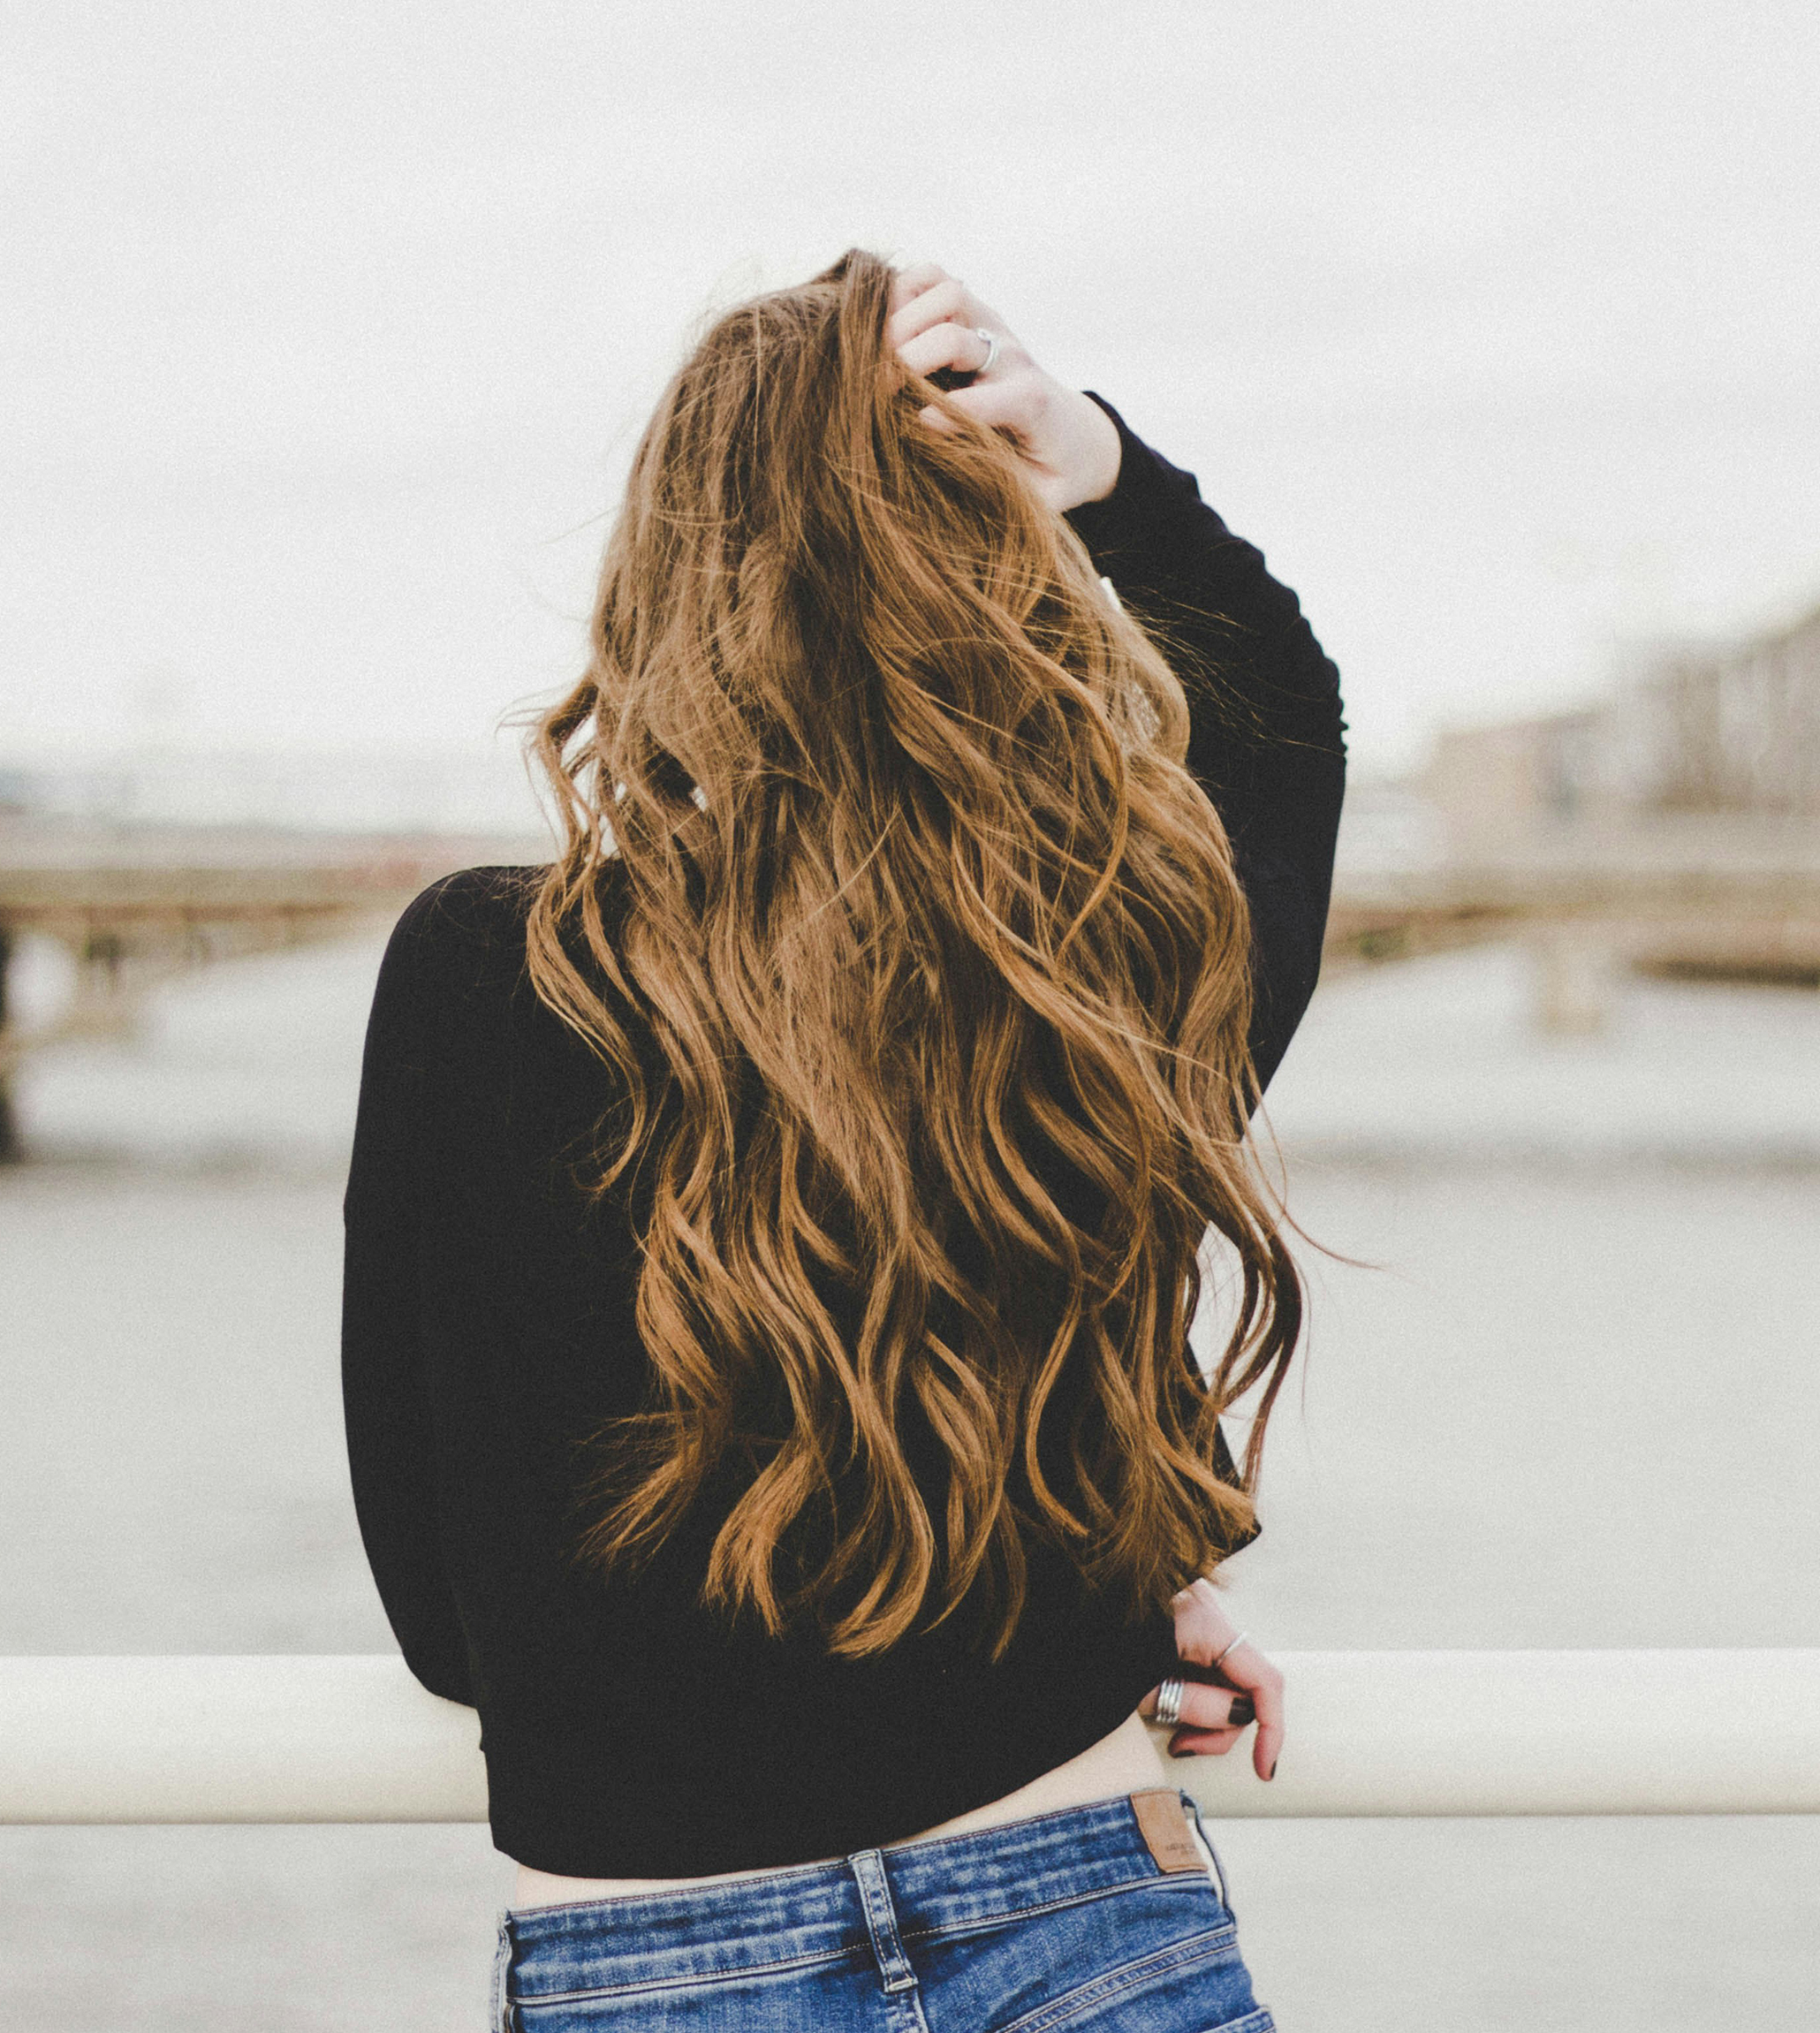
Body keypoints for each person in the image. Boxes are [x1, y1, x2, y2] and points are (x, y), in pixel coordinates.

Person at [343, 249, 1346, 2031]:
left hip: (658, 1959)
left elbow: (444, 1613)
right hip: (1083, 1906)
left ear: (664, 572)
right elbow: (1277, 727)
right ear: (991, 571)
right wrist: (1089, 451)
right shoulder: (1090, 964)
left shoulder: (479, 970)